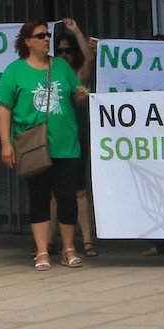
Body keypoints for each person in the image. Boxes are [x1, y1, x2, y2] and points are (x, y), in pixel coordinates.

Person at [0, 20, 88, 270]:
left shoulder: (61, 66)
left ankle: (69, 247)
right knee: (38, 197)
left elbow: (76, 97)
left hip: (66, 143)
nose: (47, 39)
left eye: (48, 35)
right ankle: (41, 251)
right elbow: (4, 109)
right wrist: (6, 143)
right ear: (28, 41)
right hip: (33, 145)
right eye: (41, 36)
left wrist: (81, 94)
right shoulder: (14, 71)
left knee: (67, 197)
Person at [54, 19, 99, 257]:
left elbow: (89, 58)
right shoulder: (49, 73)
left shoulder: (78, 74)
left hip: (77, 134)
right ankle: (51, 242)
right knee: (53, 190)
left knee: (79, 189)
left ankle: (88, 241)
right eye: (59, 51)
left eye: (68, 50)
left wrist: (76, 31)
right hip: (54, 135)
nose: (63, 55)